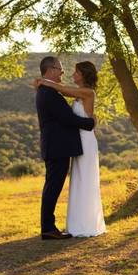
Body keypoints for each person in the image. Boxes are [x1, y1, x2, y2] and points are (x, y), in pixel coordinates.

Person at [33, 60, 106, 238]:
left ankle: (84, 223)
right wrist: (89, 123)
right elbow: (67, 111)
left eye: (75, 72)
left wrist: (44, 81)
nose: (67, 74)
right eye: (61, 70)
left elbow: (64, 89)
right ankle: (57, 227)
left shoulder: (85, 92)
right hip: (66, 144)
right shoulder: (51, 93)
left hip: (84, 143)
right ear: (51, 70)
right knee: (71, 183)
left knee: (84, 181)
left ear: (83, 76)